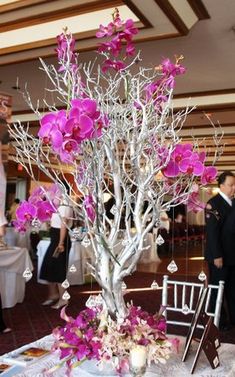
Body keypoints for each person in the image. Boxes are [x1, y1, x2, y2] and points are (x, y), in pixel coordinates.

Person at [204, 170, 235, 329]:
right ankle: (218, 322)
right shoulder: (213, 204)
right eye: (230, 185)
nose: (233, 188)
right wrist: (217, 255)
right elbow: (212, 233)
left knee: (232, 288)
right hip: (219, 255)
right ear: (221, 186)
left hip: (233, 254)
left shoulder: (234, 202)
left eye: (234, 185)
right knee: (218, 288)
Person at [39, 198, 73, 309]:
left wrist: (61, 243)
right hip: (55, 239)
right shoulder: (56, 206)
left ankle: (64, 298)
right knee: (48, 266)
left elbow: (64, 226)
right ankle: (53, 294)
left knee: (59, 269)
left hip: (60, 240)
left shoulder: (65, 206)